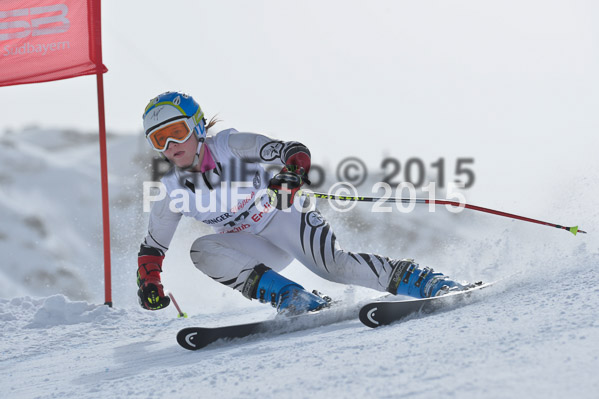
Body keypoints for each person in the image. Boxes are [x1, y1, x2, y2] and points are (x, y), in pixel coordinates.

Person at [137, 91, 473, 314]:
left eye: (177, 131)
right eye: (159, 139)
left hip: (283, 219)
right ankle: (293, 297)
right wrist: (150, 281)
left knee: (334, 267)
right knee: (202, 250)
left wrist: (291, 174)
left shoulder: (229, 144)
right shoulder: (171, 189)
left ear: (197, 126)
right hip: (252, 245)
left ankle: (426, 281)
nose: (170, 144)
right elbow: (153, 249)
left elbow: (292, 150)